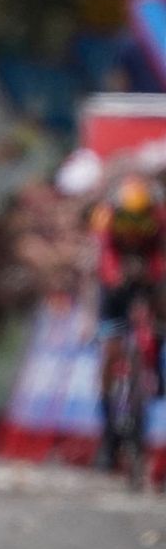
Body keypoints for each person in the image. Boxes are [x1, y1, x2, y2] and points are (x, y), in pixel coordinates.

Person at [91, 173, 166, 469]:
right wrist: (115, 277)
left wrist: (156, 275)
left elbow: (162, 251)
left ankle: (156, 361)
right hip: (115, 282)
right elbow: (105, 252)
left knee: (161, 305)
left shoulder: (159, 214)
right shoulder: (106, 214)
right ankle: (109, 433)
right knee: (111, 349)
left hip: (148, 270)